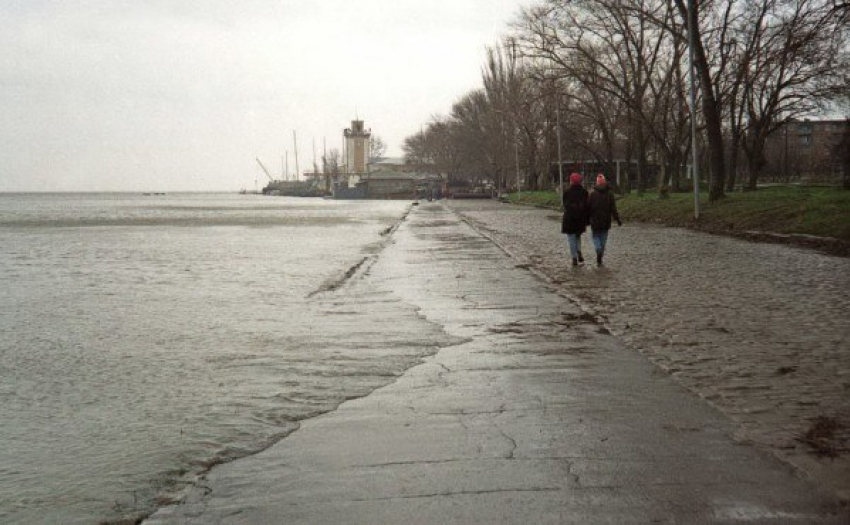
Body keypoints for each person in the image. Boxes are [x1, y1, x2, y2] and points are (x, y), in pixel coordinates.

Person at [587, 173, 622, 266]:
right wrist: (617, 219)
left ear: (597, 183)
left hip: (595, 221)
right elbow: (613, 208)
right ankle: (600, 254)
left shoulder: (592, 194)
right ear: (605, 182)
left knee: (595, 237)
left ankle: (598, 250)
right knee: (603, 239)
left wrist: (586, 220)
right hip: (606, 221)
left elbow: (588, 208)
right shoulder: (610, 194)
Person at [561, 172, 589, 266]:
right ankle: (579, 250)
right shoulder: (584, 192)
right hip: (580, 219)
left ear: (571, 181)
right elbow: (586, 206)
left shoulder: (567, 192)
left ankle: (574, 257)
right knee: (578, 236)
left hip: (570, 219)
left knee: (571, 238)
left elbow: (565, 205)